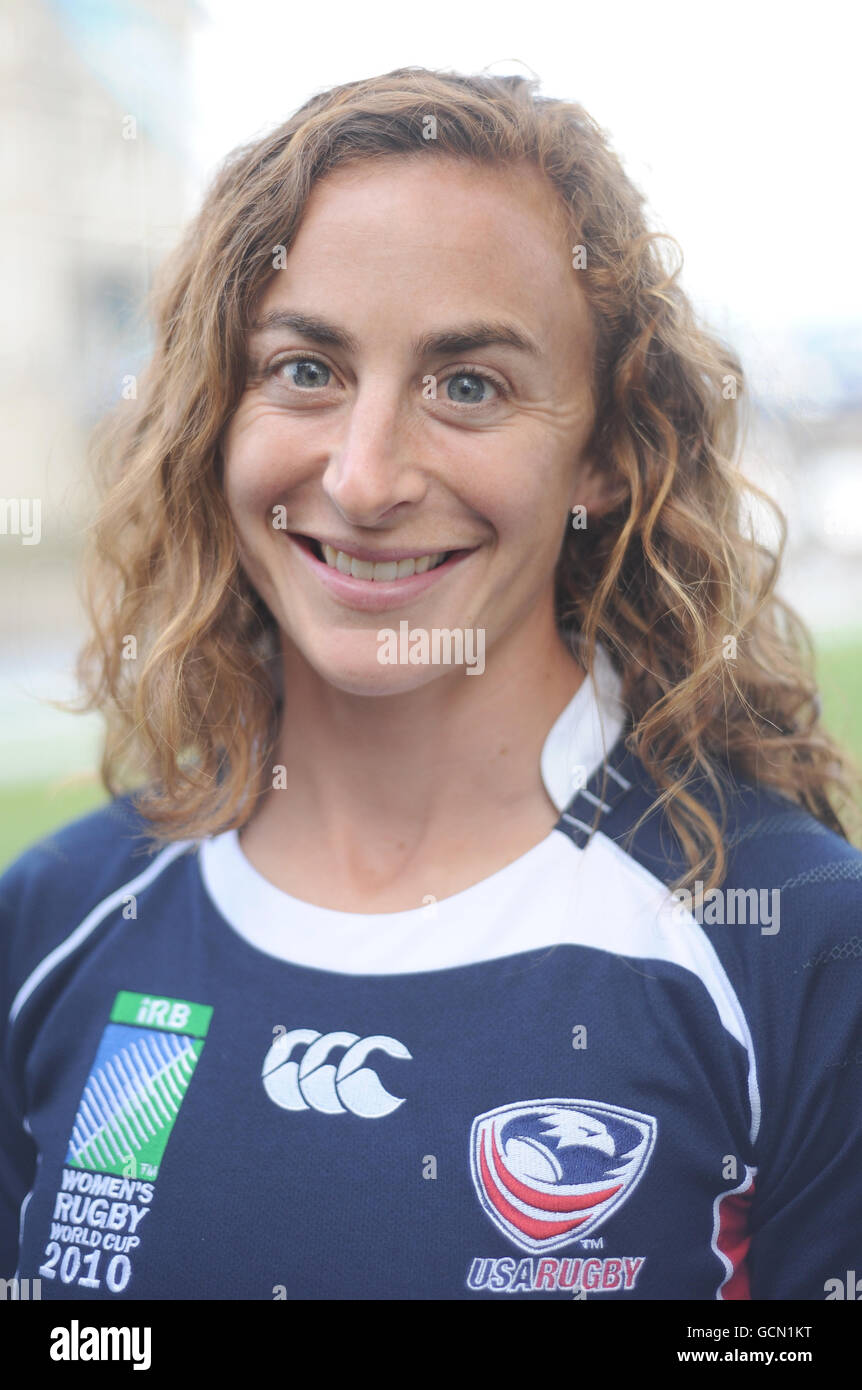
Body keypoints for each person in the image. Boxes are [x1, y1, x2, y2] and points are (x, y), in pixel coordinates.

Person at [1, 67, 860, 1302]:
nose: (362, 477)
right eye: (305, 368)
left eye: (469, 385)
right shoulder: (55, 920)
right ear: (214, 413)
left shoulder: (800, 947)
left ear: (605, 456)